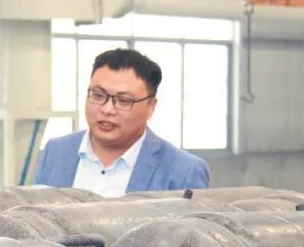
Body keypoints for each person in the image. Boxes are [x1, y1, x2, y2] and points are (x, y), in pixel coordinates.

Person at [34, 48, 209, 197]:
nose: (107, 109)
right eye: (98, 96)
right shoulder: (55, 152)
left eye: (123, 101)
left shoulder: (184, 171)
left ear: (151, 107)